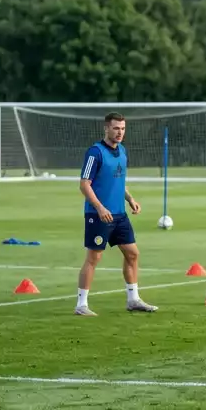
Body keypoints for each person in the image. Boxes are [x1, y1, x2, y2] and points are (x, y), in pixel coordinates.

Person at [74, 112, 157, 316]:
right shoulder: (95, 152)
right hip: (98, 214)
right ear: (106, 129)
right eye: (116, 128)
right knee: (94, 257)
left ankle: (133, 300)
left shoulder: (122, 151)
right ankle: (81, 304)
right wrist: (100, 208)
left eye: (122, 128)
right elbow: (84, 185)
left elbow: (118, 181)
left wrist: (130, 199)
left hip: (119, 215)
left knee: (132, 254)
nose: (120, 132)